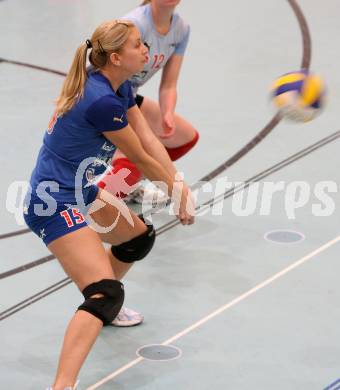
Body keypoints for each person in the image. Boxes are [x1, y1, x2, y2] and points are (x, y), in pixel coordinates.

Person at [23, 19, 194, 390]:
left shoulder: (117, 84)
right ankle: (63, 384)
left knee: (137, 239)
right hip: (51, 203)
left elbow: (148, 139)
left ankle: (101, 312)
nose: (145, 50)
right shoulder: (100, 102)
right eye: (137, 46)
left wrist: (177, 181)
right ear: (115, 57)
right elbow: (141, 158)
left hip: (78, 188)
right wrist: (177, 190)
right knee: (105, 294)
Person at [99, 0, 199, 204]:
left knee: (185, 137)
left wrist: (167, 113)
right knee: (133, 163)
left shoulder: (181, 29)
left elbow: (169, 85)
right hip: (106, 99)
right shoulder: (134, 24)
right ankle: (91, 205)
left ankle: (128, 186)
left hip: (128, 97)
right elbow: (106, 73)